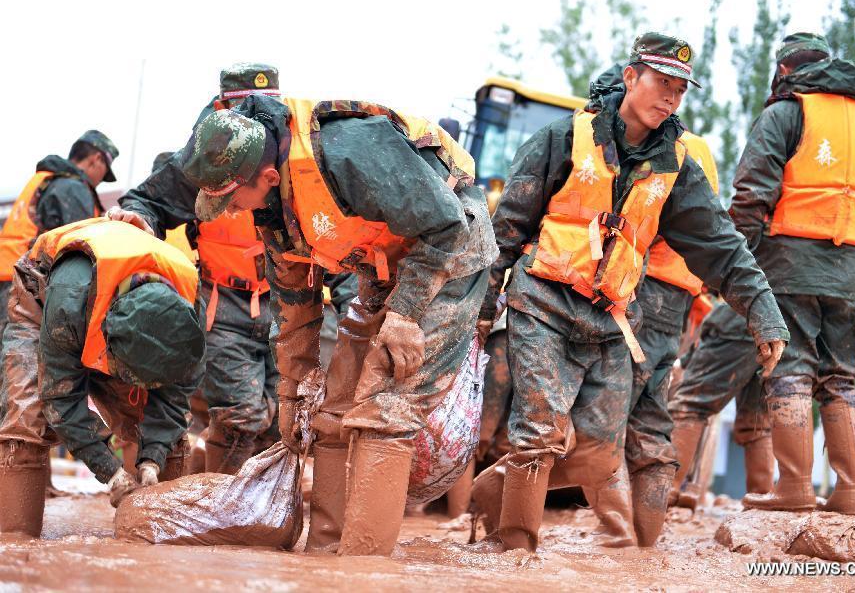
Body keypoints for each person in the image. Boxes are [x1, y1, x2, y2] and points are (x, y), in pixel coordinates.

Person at [471, 32, 788, 553]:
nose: (671, 98)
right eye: (662, 83)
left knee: (599, 451)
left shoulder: (676, 166)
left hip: (611, 316)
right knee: (540, 430)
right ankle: (515, 550)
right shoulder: (563, 137)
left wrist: (763, 312)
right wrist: (484, 310)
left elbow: (721, 245)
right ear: (630, 77)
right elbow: (505, 230)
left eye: (680, 90)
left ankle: (496, 488)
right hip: (543, 301)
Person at [164, 94, 496, 556]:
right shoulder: (273, 211)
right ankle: (322, 556)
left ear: (268, 176)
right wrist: (291, 391)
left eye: (230, 200)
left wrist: (404, 315)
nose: (231, 212)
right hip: (385, 266)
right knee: (332, 410)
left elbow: (447, 225)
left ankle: (361, 568)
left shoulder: (350, 153)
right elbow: (295, 304)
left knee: (386, 408)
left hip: (448, 256)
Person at [731, 33, 855, 516]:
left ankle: (795, 488)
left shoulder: (786, 112)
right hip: (848, 274)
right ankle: (850, 494)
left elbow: (751, 193)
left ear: (784, 69)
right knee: (841, 378)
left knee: (790, 369)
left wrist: (740, 262)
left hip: (789, 265)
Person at [578, 65, 721, 548]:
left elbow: (640, 221)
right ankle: (645, 544)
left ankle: (615, 534)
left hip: (641, 288)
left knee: (607, 413)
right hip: (680, 296)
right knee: (651, 414)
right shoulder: (695, 148)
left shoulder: (655, 150)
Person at [116, 64, 280, 475]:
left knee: (285, 419)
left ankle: (260, 506)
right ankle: (220, 504)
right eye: (243, 108)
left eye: (263, 107)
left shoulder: (288, 151)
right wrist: (141, 223)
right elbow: (146, 201)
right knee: (240, 417)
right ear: (221, 108)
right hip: (223, 305)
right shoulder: (205, 157)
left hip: (284, 302)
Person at [0, 218, 205, 538]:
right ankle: (16, 539)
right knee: (26, 419)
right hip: (44, 293)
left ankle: (160, 538)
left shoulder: (187, 321)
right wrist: (110, 471)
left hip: (114, 306)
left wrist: (152, 460)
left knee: (170, 440)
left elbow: (173, 401)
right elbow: (61, 399)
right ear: (109, 341)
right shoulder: (69, 302)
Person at [0, 131, 118, 345]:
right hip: (23, 287)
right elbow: (81, 246)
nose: (101, 180)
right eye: (104, 173)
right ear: (96, 159)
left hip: (9, 274)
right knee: (19, 358)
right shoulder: (73, 187)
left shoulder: (50, 179)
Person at [666, 302, 774, 506]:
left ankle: (665, 490)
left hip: (743, 318)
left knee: (689, 406)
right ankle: (761, 499)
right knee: (756, 422)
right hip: (780, 328)